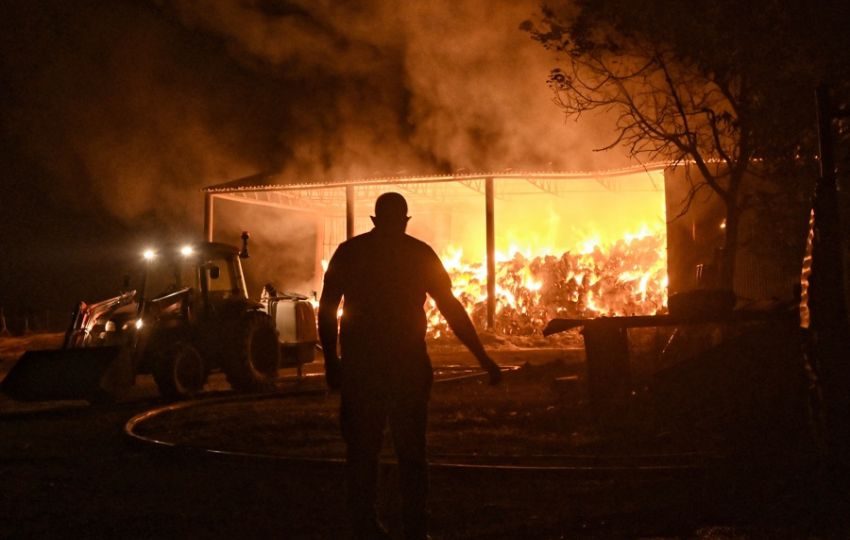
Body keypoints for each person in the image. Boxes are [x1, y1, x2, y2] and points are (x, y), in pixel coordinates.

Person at [319, 192, 501, 540]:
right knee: (411, 450)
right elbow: (450, 308)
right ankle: (415, 528)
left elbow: (327, 310)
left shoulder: (351, 252)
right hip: (406, 365)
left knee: (362, 450)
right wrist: (483, 357)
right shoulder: (419, 254)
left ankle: (365, 524)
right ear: (404, 220)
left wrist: (332, 360)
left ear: (375, 219)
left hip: (363, 365)